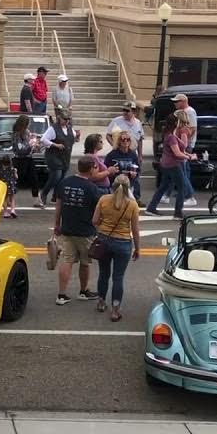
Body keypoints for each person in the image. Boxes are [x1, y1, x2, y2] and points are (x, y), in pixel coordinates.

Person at [91, 175, 141, 322]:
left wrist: (103, 228)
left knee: (103, 273)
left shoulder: (103, 199)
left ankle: (101, 302)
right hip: (123, 243)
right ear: (128, 188)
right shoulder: (132, 205)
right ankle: (115, 310)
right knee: (118, 277)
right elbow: (135, 230)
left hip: (104, 241)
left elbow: (94, 221)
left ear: (113, 186)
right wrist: (137, 249)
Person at [54, 156, 102, 305]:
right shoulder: (92, 188)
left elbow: (58, 206)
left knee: (67, 261)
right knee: (85, 262)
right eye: (96, 167)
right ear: (91, 169)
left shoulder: (65, 183)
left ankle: (61, 295)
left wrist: (57, 224)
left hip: (67, 228)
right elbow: (97, 212)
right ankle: (83, 291)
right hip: (85, 230)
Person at [147, 115, 194, 219]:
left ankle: (151, 207)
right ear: (175, 123)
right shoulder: (172, 137)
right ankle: (178, 213)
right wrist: (189, 157)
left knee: (163, 186)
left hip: (166, 164)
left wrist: (188, 155)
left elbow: (180, 150)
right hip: (173, 165)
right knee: (181, 187)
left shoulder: (170, 134)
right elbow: (177, 153)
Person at [39, 110, 76, 206]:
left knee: (62, 179)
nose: (67, 121)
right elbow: (43, 139)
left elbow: (73, 138)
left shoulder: (70, 129)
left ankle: (55, 196)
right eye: (65, 119)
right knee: (56, 176)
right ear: (59, 118)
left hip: (65, 157)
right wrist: (55, 145)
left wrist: (77, 137)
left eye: (68, 119)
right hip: (54, 157)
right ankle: (43, 194)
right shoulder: (53, 129)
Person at [172, 94, 199, 206]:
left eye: (177, 101)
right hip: (184, 143)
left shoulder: (189, 111)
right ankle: (184, 191)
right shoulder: (184, 111)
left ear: (183, 101)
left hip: (186, 144)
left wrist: (184, 143)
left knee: (183, 170)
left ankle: (188, 194)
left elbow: (192, 128)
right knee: (183, 169)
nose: (175, 103)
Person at [10, 115, 42, 208]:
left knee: (34, 179)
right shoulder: (16, 134)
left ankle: (36, 200)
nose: (28, 126)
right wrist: (31, 145)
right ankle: (8, 199)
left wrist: (36, 146)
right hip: (19, 159)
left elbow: (29, 146)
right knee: (16, 180)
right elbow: (20, 149)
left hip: (28, 158)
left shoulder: (27, 132)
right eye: (27, 124)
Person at [104, 131, 143, 202]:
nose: (125, 141)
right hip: (115, 184)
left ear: (130, 141)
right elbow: (105, 169)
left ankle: (137, 198)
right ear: (119, 142)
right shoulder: (111, 155)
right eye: (123, 139)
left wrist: (135, 174)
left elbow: (138, 170)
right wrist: (110, 172)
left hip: (129, 184)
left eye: (128, 139)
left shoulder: (133, 155)